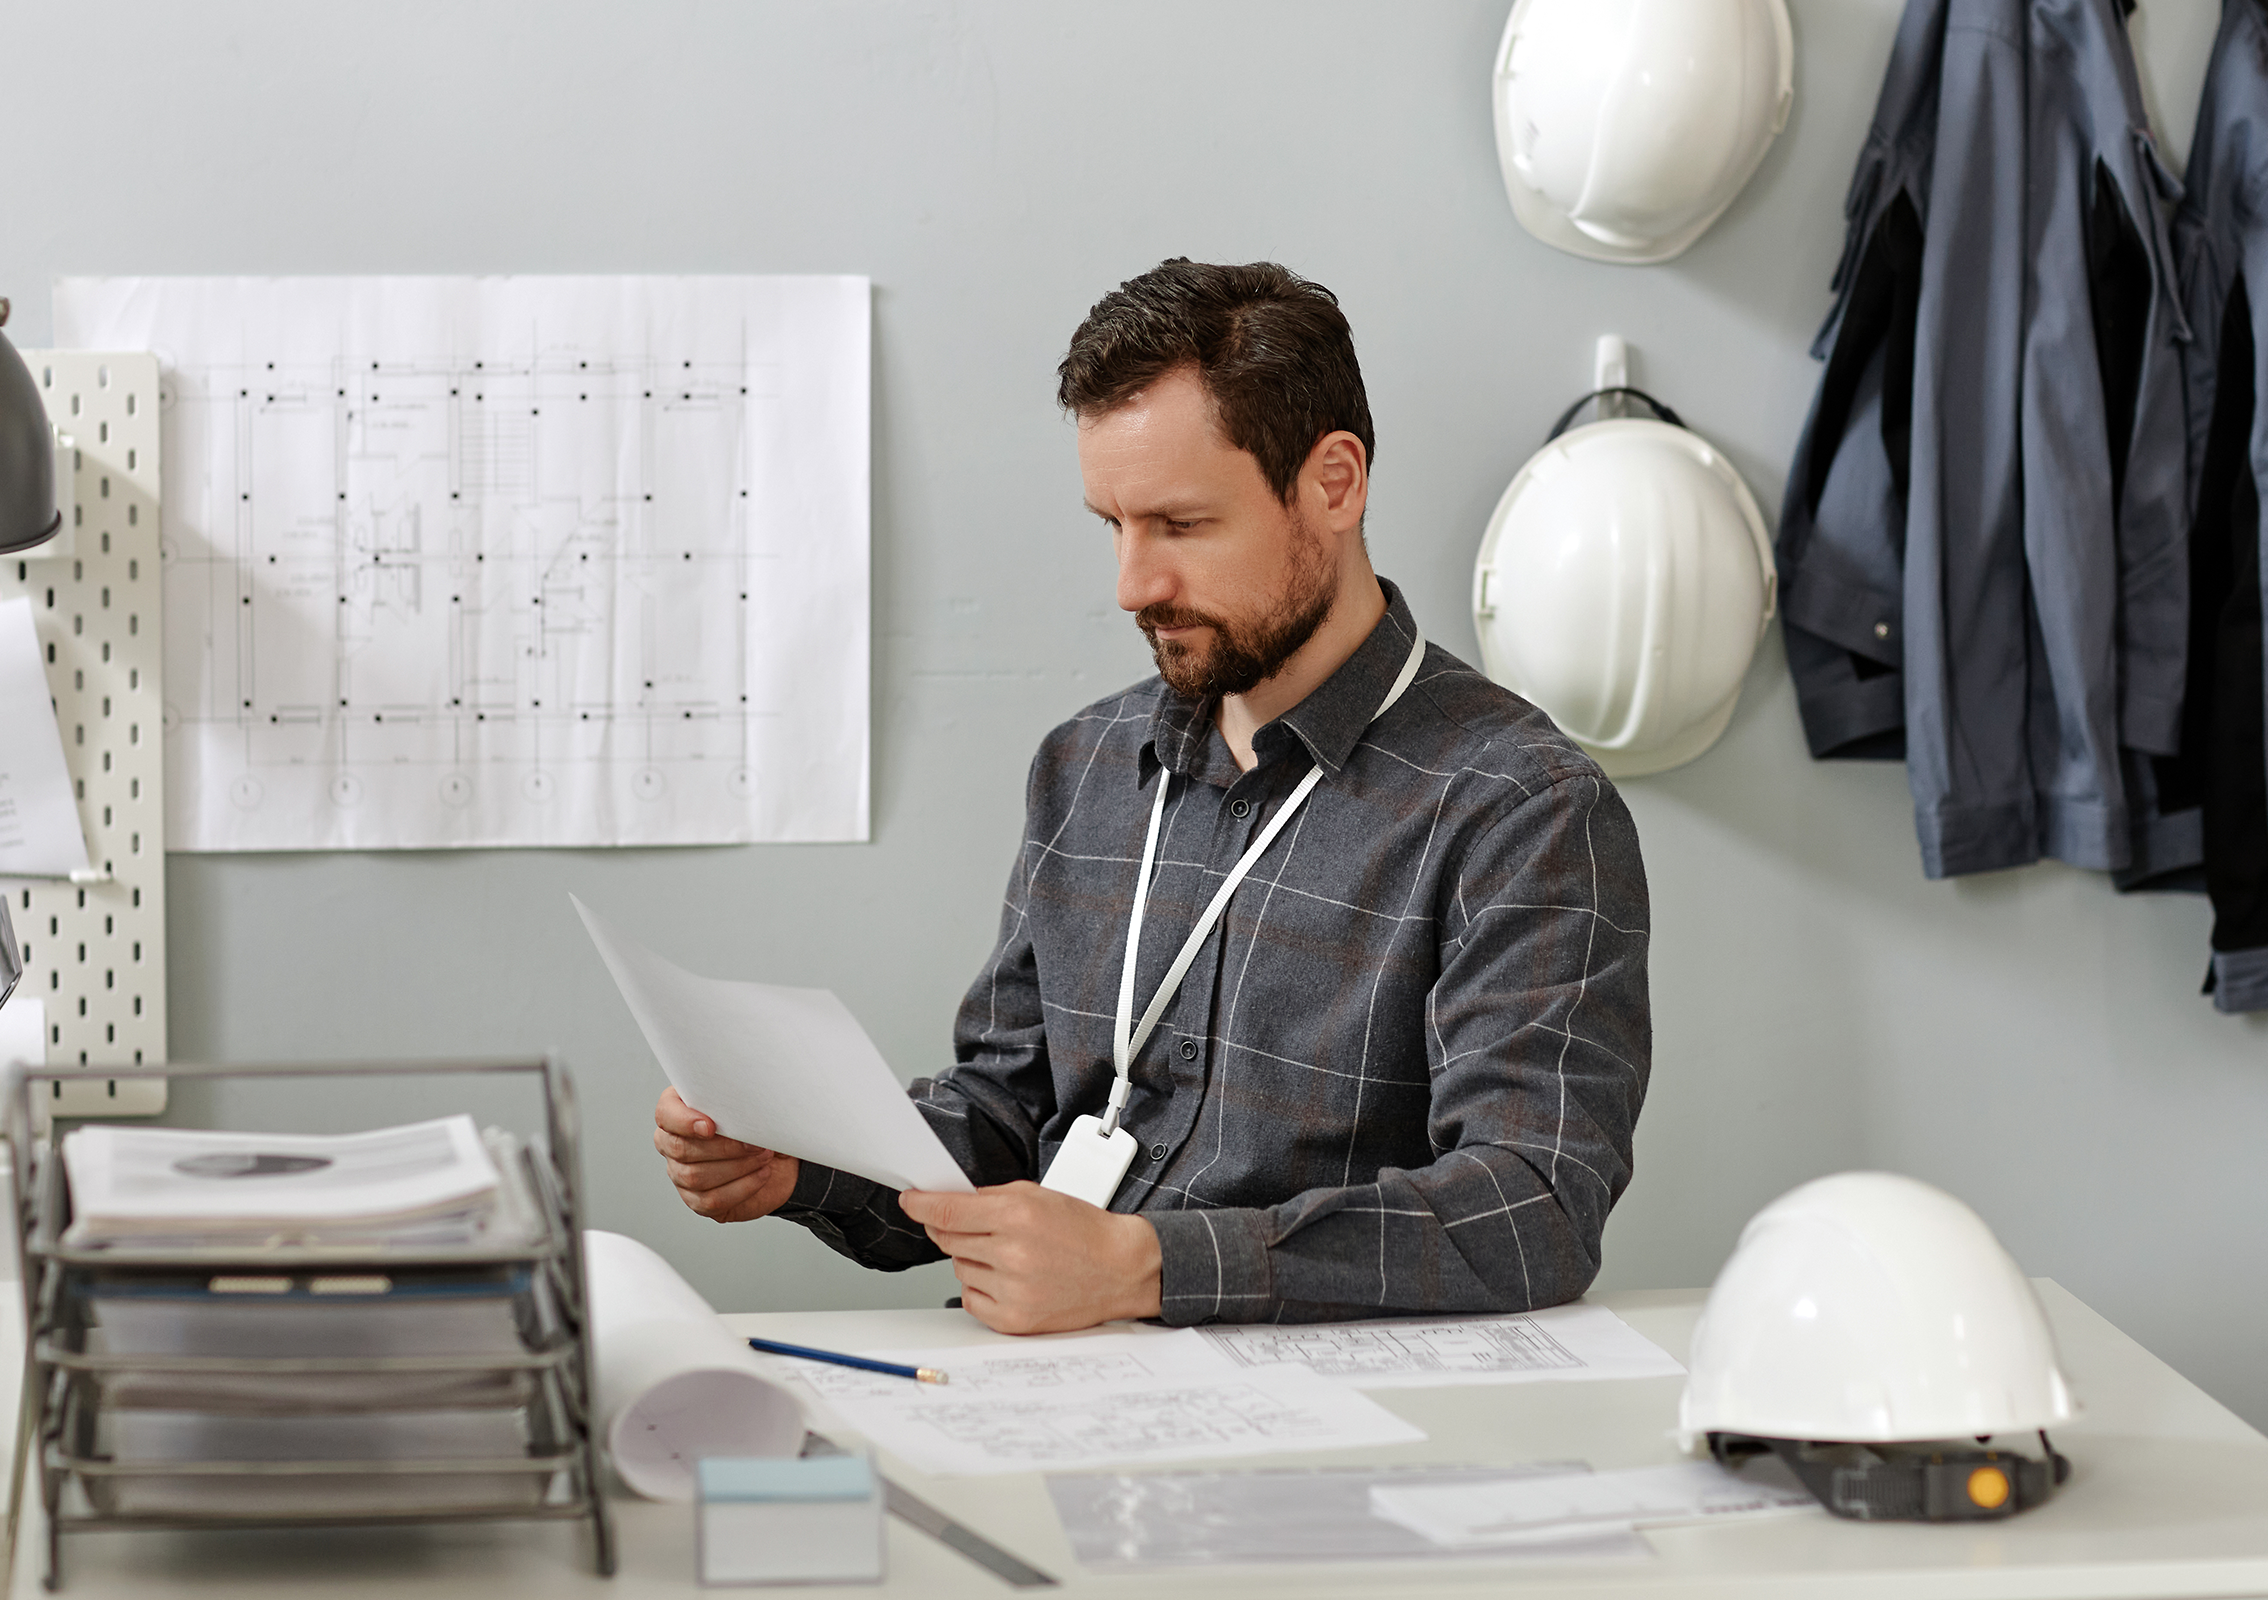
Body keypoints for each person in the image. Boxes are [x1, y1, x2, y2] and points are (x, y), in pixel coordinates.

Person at [654, 259, 1651, 1334]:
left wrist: (1148, 1267)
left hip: (1321, 1433)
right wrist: (803, 1163)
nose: (1134, 585)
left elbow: (1531, 1207)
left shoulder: (1520, 805)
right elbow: (1008, 1114)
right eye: (1112, 526)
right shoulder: (1086, 764)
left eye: (1181, 526)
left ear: (1333, 483)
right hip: (1051, 1397)